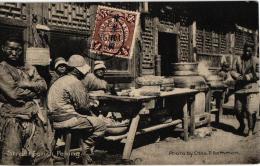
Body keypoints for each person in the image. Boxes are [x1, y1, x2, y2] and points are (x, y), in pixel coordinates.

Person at [0, 36, 52, 164]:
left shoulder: (27, 67)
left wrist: (27, 84)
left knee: (42, 157)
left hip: (33, 116)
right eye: (10, 49)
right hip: (13, 118)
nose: (14, 53)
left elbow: (44, 85)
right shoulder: (2, 68)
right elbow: (14, 94)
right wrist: (34, 91)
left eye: (18, 50)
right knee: (12, 158)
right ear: (3, 49)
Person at [47, 54, 106, 162]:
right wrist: (92, 105)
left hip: (54, 119)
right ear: (76, 70)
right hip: (67, 120)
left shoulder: (60, 80)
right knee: (101, 125)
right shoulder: (75, 82)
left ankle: (71, 149)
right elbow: (83, 106)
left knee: (87, 120)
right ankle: (80, 151)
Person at [231, 42, 259, 136]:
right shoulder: (238, 59)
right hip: (239, 88)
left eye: (249, 51)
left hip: (251, 88)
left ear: (252, 51)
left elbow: (259, 73)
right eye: (245, 50)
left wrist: (249, 76)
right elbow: (232, 70)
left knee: (250, 110)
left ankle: (250, 130)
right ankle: (242, 125)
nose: (247, 53)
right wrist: (237, 75)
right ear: (243, 50)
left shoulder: (256, 60)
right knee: (237, 110)